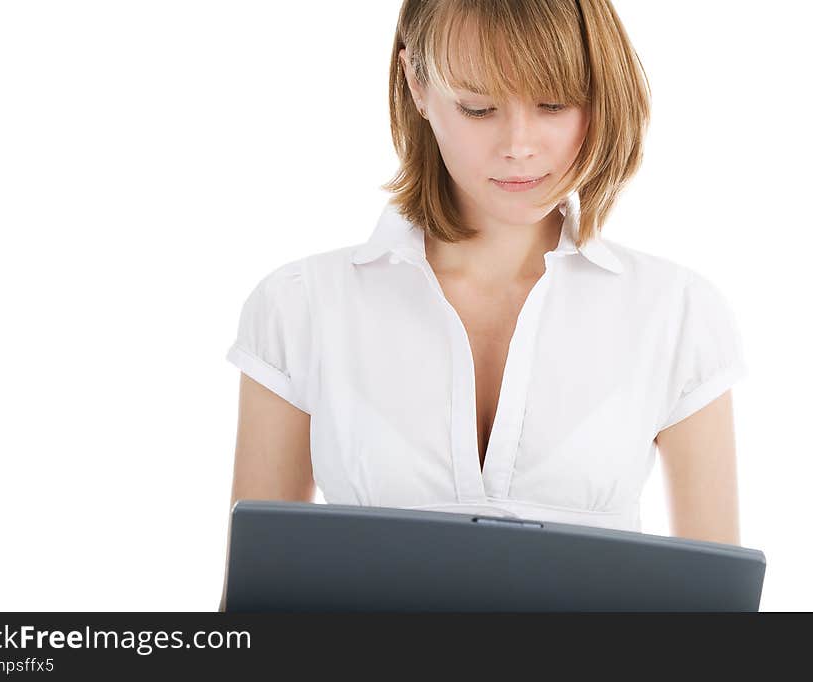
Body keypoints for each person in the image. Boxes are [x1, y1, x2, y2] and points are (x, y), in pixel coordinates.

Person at [219, 0, 747, 610]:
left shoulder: (677, 312)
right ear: (417, 82)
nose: (518, 145)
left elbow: (719, 619)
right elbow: (254, 613)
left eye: (553, 104)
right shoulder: (299, 307)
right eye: (479, 107)